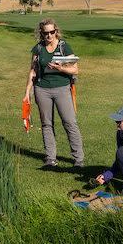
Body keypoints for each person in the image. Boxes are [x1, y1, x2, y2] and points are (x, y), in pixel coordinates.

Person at [23, 18, 84, 167]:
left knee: (69, 122)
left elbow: (75, 69)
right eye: (46, 33)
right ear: (41, 33)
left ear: (56, 31)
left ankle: (78, 159)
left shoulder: (64, 47)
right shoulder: (38, 49)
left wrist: (60, 68)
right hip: (42, 89)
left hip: (62, 89)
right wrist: (27, 92)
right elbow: (33, 71)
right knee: (46, 124)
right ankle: (50, 158)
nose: (49, 36)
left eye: (52, 32)